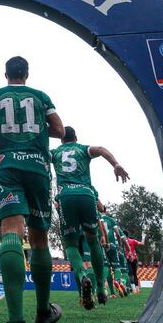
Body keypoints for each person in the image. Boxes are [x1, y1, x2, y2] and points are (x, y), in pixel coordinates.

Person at [0, 56, 64, 323]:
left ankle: (15, 319)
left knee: (11, 232)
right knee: (39, 240)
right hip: (37, 167)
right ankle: (43, 311)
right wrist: (37, 130)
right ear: (27, 73)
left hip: (7, 166)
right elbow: (58, 128)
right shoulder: (41, 95)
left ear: (5, 74)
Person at [50, 126, 129, 310]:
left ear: (61, 139)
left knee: (69, 244)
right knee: (93, 241)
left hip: (65, 196)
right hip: (87, 195)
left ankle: (82, 273)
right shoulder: (82, 149)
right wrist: (116, 164)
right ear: (76, 137)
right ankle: (101, 287)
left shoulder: (54, 153)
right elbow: (101, 149)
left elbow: (41, 157)